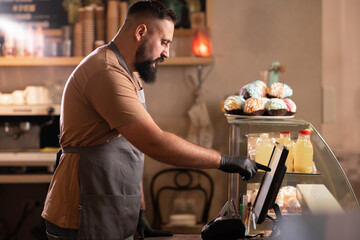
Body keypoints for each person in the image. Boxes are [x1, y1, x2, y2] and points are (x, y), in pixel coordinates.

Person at [41, 1, 264, 239]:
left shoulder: (127, 74)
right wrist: (224, 161)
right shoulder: (106, 72)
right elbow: (154, 143)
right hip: (81, 216)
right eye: (164, 42)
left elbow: (132, 145)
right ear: (140, 32)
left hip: (108, 214)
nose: (166, 52)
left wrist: (139, 211)